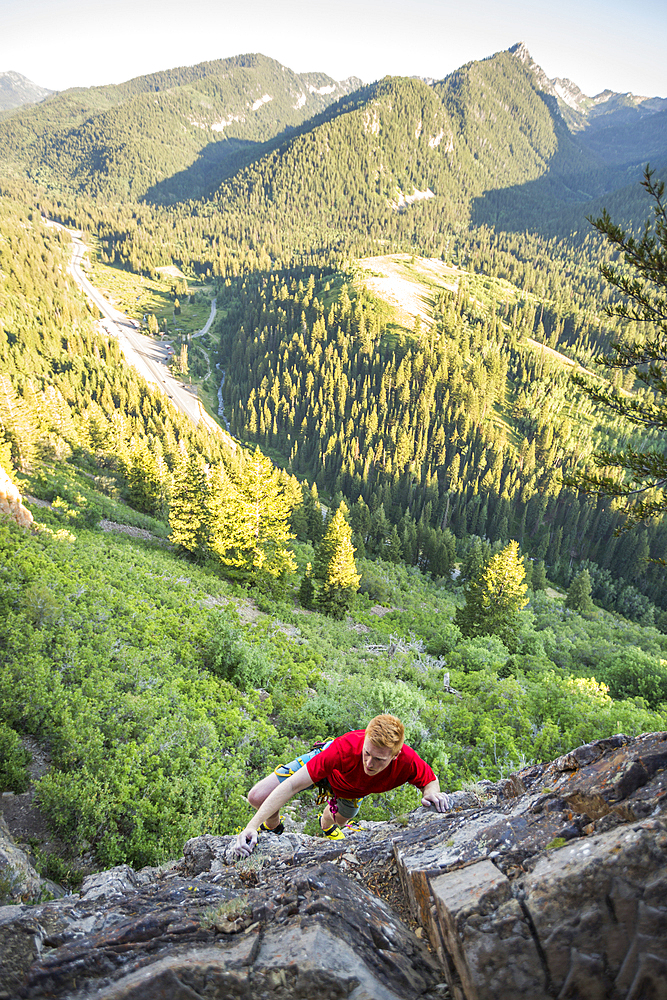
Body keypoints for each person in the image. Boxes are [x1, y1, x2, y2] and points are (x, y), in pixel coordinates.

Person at [235, 714, 451, 857]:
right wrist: (252, 826)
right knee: (257, 796)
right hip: (327, 769)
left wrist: (432, 794)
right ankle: (273, 826)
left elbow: (430, 781)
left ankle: (326, 823)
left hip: (352, 790)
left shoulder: (408, 761)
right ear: (364, 740)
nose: (369, 763)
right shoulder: (344, 748)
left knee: (334, 821)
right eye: (367, 753)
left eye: (379, 759)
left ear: (395, 756)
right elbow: (292, 786)